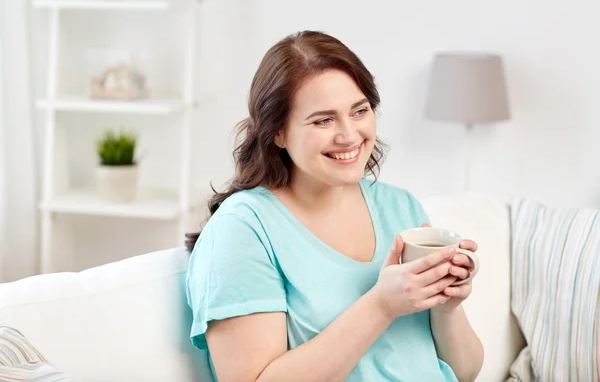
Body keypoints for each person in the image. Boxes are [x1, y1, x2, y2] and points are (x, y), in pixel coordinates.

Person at [185, 30, 484, 382]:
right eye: (323, 120)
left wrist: (447, 306)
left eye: (360, 111)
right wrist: (381, 305)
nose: (349, 135)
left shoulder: (399, 206)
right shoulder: (242, 230)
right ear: (277, 132)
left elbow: (464, 372)